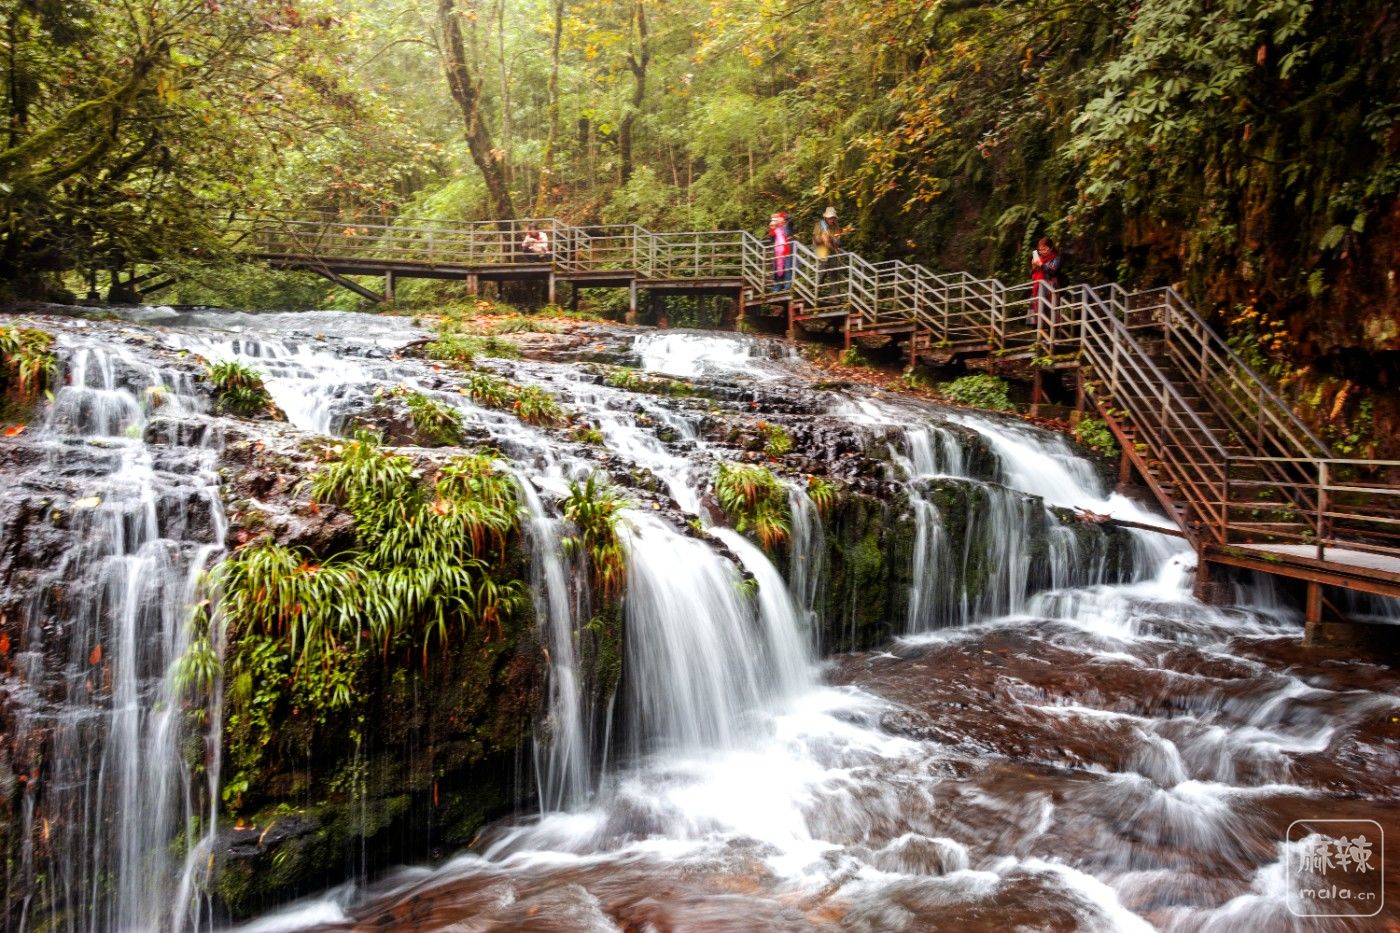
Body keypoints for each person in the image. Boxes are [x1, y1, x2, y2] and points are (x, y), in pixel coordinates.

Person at [1029, 236, 1061, 321]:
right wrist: (1034, 266)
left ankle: (1052, 329)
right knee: (1036, 306)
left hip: (1050, 287)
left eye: (1044, 249)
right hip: (1038, 286)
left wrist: (1041, 265)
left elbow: (1053, 271)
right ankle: (1035, 326)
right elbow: (1032, 275)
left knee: (1050, 309)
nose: (1042, 251)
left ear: (1050, 248)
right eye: (1040, 250)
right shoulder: (1039, 259)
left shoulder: (1056, 258)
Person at [813, 206, 842, 287]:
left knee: (834, 269)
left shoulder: (835, 226)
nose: (831, 220)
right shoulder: (819, 225)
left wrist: (834, 240)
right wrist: (823, 238)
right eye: (830, 218)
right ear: (825, 217)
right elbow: (816, 240)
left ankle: (834, 296)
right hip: (821, 247)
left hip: (831, 248)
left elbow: (838, 241)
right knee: (825, 262)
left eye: (833, 218)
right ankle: (819, 281)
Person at [768, 211, 792, 291]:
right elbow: (771, 239)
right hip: (777, 253)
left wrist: (779, 215)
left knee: (787, 270)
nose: (778, 221)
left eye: (780, 219)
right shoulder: (775, 229)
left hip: (786, 252)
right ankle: (776, 288)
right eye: (777, 220)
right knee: (777, 271)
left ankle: (787, 287)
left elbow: (790, 218)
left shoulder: (787, 227)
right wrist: (772, 228)